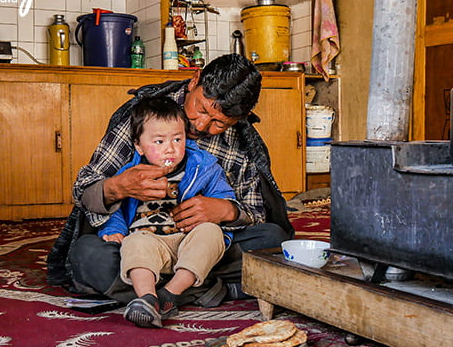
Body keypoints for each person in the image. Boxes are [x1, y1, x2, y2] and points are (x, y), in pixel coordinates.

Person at [46, 53, 294, 305]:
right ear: (194, 80)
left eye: (220, 123)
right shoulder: (147, 115)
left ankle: (153, 291)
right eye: (200, 109)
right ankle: (212, 289)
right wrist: (118, 187)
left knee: (274, 240)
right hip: (141, 242)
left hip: (204, 245)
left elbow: (257, 213)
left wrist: (226, 210)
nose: (201, 125)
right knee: (87, 255)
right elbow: (83, 191)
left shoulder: (240, 143)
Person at [99, 96, 236, 328]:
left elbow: (225, 200)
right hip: (151, 242)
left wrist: (220, 208)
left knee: (212, 233)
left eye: (177, 139)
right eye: (159, 142)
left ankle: (169, 295)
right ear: (139, 146)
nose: (170, 149)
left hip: (188, 240)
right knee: (132, 243)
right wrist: (114, 230)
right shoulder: (131, 173)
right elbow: (115, 209)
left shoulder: (204, 165)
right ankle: (148, 298)